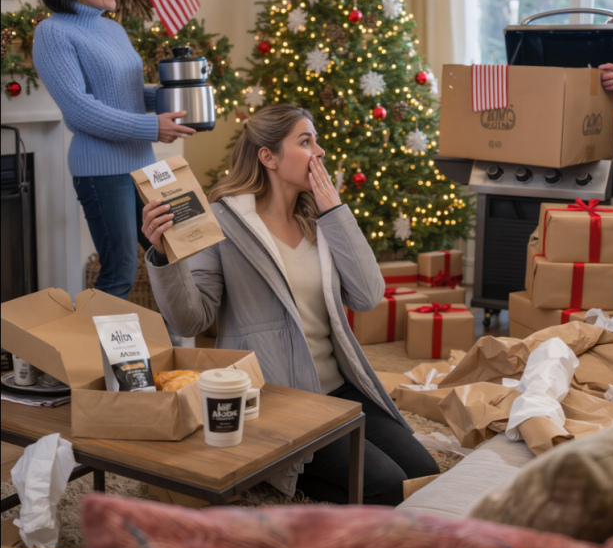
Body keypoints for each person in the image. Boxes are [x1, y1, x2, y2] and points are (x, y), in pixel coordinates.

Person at [142, 104, 439, 505]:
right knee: (385, 486)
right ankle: (273, 470)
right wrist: (163, 257)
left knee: (423, 474)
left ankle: (281, 470)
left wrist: (335, 210)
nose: (318, 152)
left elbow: (368, 296)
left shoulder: (320, 223)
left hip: (338, 389)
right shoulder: (221, 224)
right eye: (305, 141)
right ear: (268, 157)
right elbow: (192, 318)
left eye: (316, 141)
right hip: (279, 399)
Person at [33, 0, 196, 299]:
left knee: (176, 252)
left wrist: (183, 96)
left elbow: (129, 93)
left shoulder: (113, 29)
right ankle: (102, 358)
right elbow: (80, 108)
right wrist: (153, 126)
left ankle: (169, 351)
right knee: (120, 272)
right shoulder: (53, 32)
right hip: (103, 171)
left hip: (145, 167)